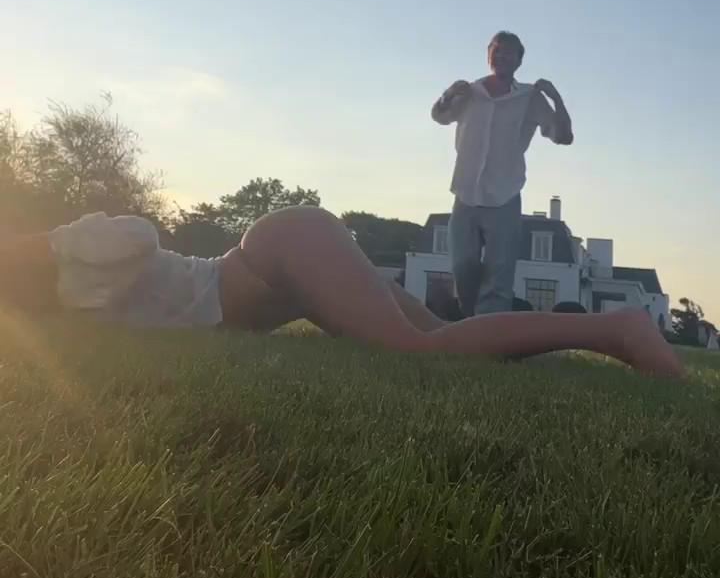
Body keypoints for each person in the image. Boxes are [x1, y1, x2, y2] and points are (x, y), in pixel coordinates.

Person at [0, 205, 684, 376]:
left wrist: (41, 240)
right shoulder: (53, 310)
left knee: (419, 352)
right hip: (282, 278)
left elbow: (138, 232)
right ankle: (600, 337)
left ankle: (618, 328)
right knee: (441, 341)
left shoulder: (72, 249)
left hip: (278, 254)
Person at [432, 31, 573, 317]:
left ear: (519, 61)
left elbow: (564, 137)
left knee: (499, 274)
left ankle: (488, 331)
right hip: (466, 193)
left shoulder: (529, 98)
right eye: (497, 50)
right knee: (462, 265)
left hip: (504, 196)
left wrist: (556, 99)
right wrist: (449, 93)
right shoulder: (470, 92)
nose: (502, 56)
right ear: (488, 55)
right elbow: (439, 116)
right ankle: (470, 321)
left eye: (509, 52)